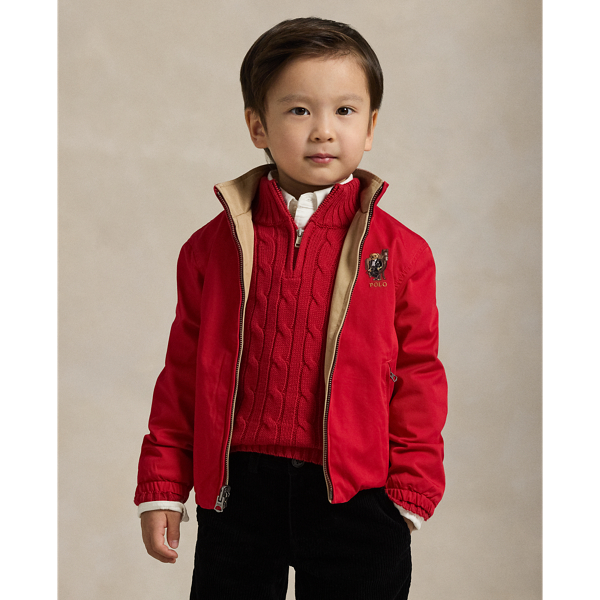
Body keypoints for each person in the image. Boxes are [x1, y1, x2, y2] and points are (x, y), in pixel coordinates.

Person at [135, 17, 447, 600]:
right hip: (238, 489)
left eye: (345, 111)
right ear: (258, 125)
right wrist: (163, 484)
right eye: (299, 110)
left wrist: (410, 493)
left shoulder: (402, 253)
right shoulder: (212, 248)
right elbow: (183, 373)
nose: (324, 130)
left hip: (357, 493)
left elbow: (419, 375)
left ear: (371, 126)